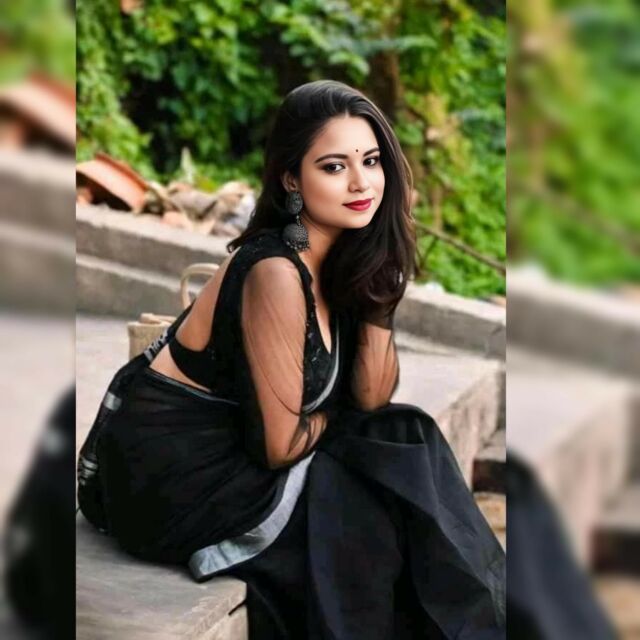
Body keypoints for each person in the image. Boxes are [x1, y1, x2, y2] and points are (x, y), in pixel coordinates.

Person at [78, 80, 505, 639]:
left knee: (407, 435)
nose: (361, 183)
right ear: (291, 179)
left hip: (248, 451)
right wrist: (341, 421)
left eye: (371, 161)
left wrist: (382, 285)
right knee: (368, 508)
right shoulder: (276, 271)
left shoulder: (343, 256)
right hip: (179, 477)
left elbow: (373, 398)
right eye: (334, 167)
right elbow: (280, 445)